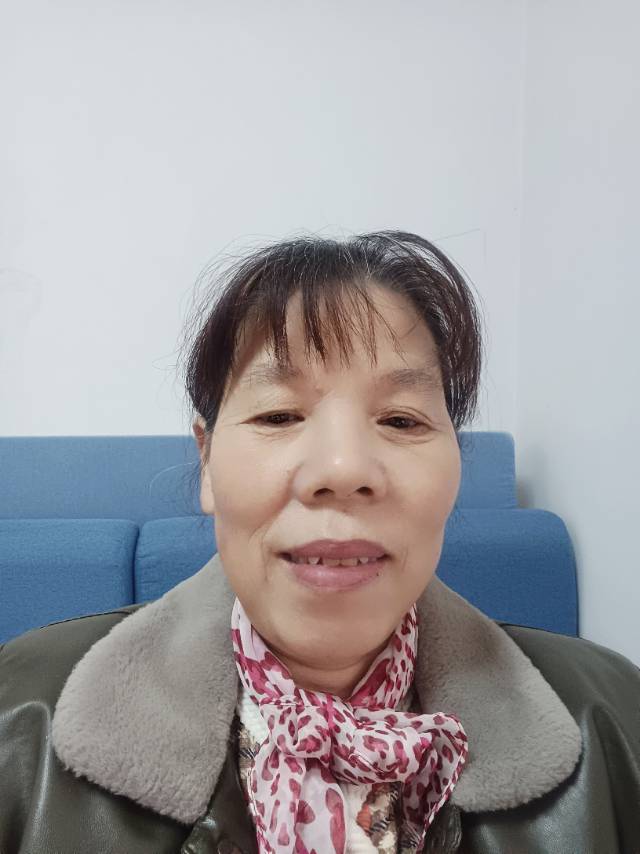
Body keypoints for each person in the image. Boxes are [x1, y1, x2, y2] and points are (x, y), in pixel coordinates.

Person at [1, 231, 638, 854]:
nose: (343, 468)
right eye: (279, 415)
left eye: (401, 420)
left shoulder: (616, 721)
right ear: (206, 463)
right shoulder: (19, 722)